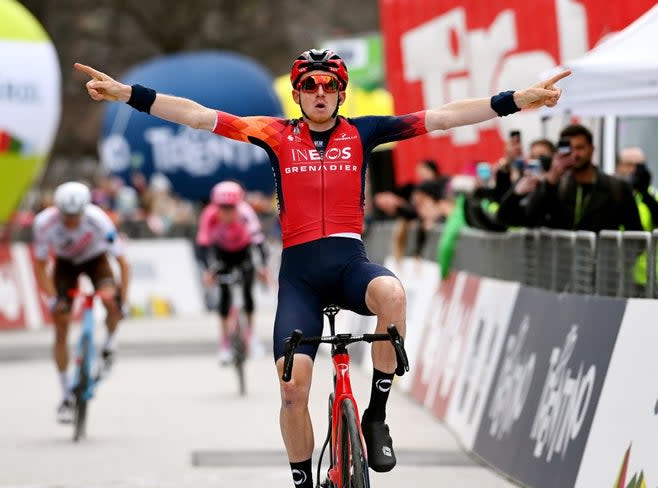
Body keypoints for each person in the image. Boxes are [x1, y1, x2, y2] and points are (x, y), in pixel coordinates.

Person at [75, 50, 569, 486]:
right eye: (308, 84)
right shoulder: (274, 133)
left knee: (393, 297)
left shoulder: (365, 131)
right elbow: (199, 116)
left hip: (351, 265)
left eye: (328, 83)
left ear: (340, 91)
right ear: (295, 94)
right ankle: (302, 482)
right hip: (301, 281)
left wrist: (514, 100)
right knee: (293, 392)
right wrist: (127, 95)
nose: (319, 91)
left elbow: (441, 117)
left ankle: (375, 417)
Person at [32, 181, 130, 424]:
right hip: (65, 265)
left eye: (76, 216)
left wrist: (122, 300)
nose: (71, 222)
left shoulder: (99, 220)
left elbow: (123, 263)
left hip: (96, 260)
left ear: (85, 210)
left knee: (110, 301)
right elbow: (41, 266)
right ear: (58, 210)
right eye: (66, 216)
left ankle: (109, 344)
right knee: (61, 323)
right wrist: (53, 298)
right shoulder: (45, 224)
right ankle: (65, 395)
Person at [498, 125, 642, 232]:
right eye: (569, 149)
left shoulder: (616, 187)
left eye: (580, 148)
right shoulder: (555, 185)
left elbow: (635, 234)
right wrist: (551, 179)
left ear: (591, 149)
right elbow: (512, 218)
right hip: (562, 268)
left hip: (603, 269)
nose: (574, 155)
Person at [195, 180, 270, 363]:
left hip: (243, 252)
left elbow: (259, 242)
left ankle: (252, 337)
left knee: (248, 292)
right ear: (215, 206)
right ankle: (225, 344)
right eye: (222, 207)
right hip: (222, 254)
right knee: (224, 297)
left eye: (231, 207)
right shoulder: (209, 215)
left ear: (238, 205)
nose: (227, 212)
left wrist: (263, 267)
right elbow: (202, 245)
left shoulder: (245, 213)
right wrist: (208, 271)